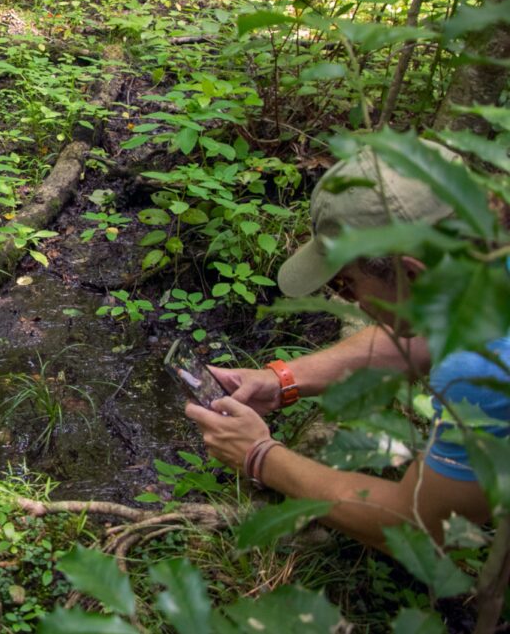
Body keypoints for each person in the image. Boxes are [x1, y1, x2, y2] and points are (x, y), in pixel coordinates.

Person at [187, 141, 509, 551]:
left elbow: (418, 526)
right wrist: (282, 380)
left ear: (412, 275)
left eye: (347, 283)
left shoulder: (484, 371)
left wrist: (259, 455)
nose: (353, 302)